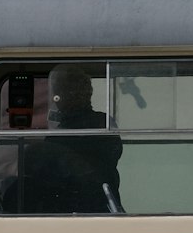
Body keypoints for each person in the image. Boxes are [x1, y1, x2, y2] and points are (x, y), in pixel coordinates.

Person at [23, 64, 124, 213]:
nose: (55, 98)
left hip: (90, 203)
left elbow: (93, 165)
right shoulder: (63, 125)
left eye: (60, 91)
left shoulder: (100, 123)